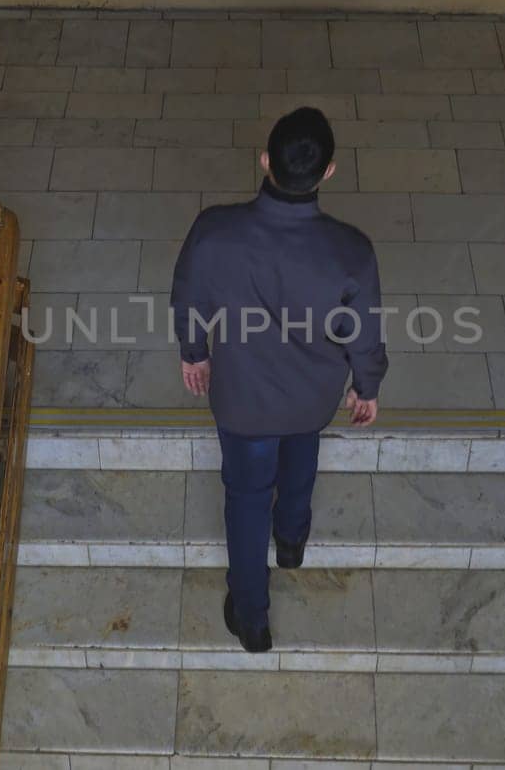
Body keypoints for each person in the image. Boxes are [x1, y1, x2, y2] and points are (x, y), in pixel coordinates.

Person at [170, 106, 388, 653]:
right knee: (302, 450)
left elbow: (189, 297)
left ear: (264, 161)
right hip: (313, 397)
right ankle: (291, 539)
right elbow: (364, 335)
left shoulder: (215, 231)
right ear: (329, 172)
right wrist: (367, 385)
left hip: (242, 401)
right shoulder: (351, 251)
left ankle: (251, 617)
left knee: (245, 498)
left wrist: (195, 353)